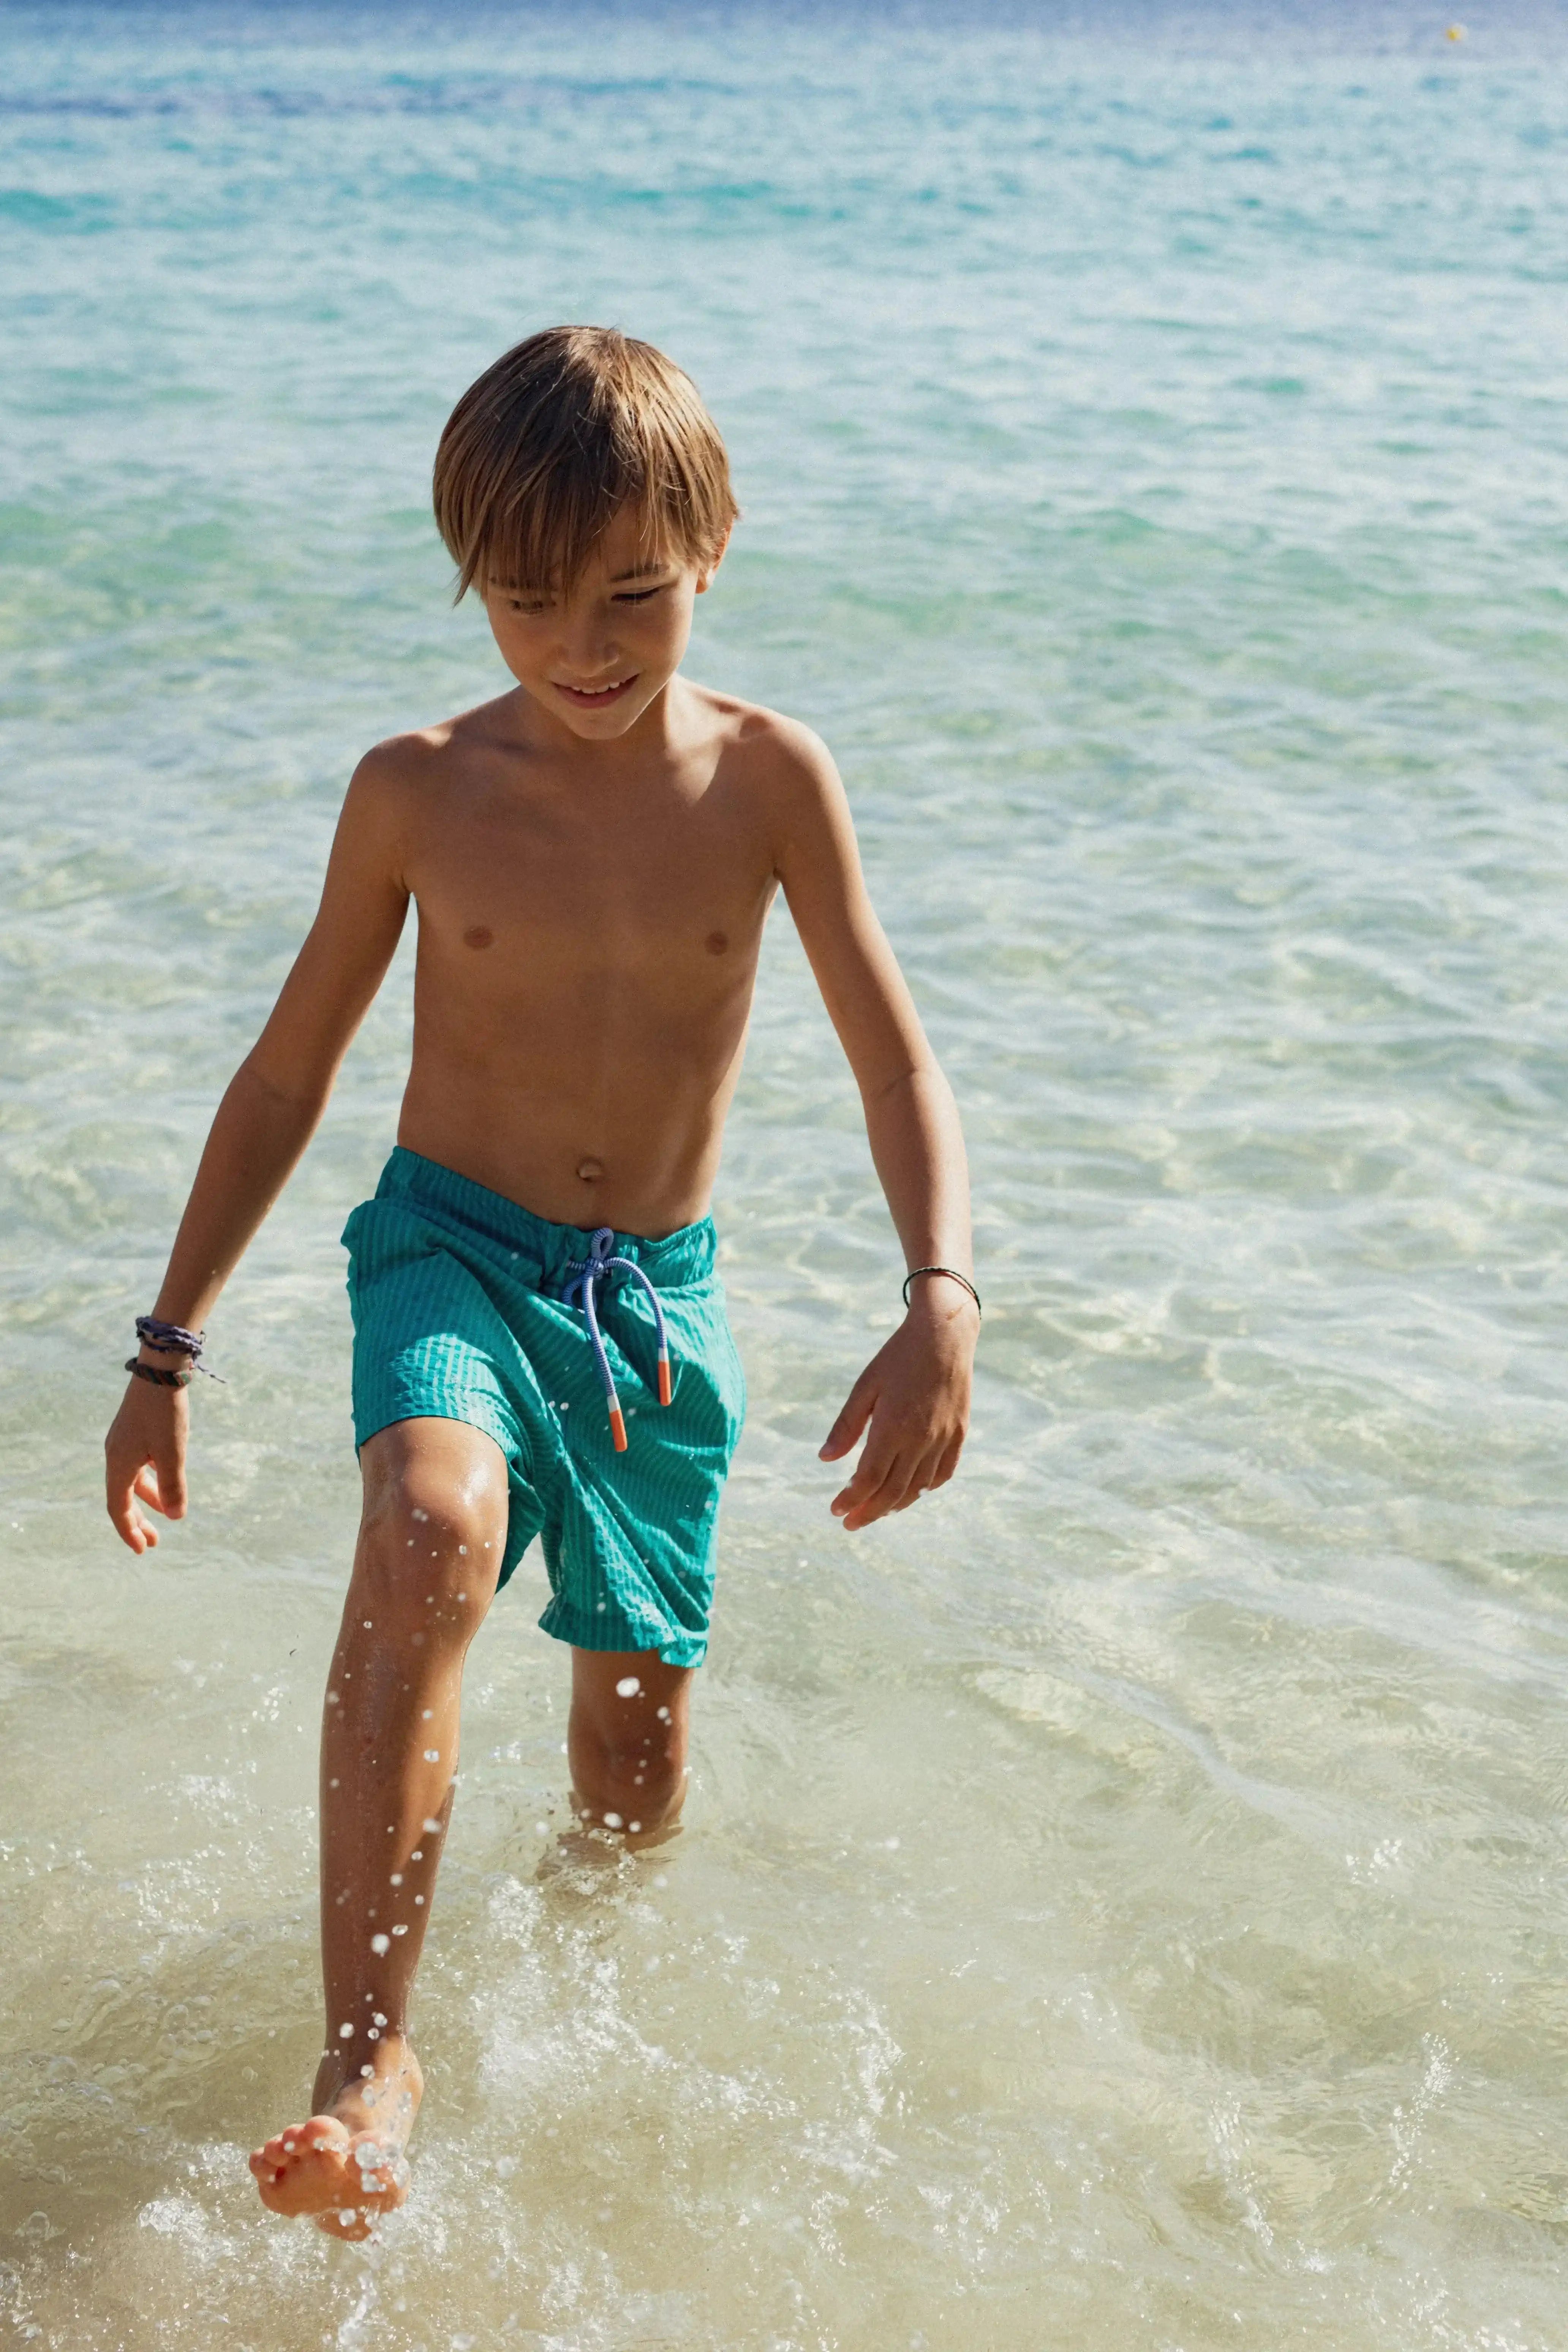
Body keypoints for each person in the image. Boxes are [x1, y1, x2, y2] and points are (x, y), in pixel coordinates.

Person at [102, 325, 980, 2238]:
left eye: (636, 596)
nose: (585, 643)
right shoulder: (418, 789)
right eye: (527, 600)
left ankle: (588, 2009)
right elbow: (286, 1073)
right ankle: (368, 2054)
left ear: (715, 547)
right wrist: (166, 1349)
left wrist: (941, 1295)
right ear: (466, 580)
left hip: (652, 1310)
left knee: (631, 1759)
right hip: (450, 1251)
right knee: (431, 1524)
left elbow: (893, 1055)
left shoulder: (771, 783)